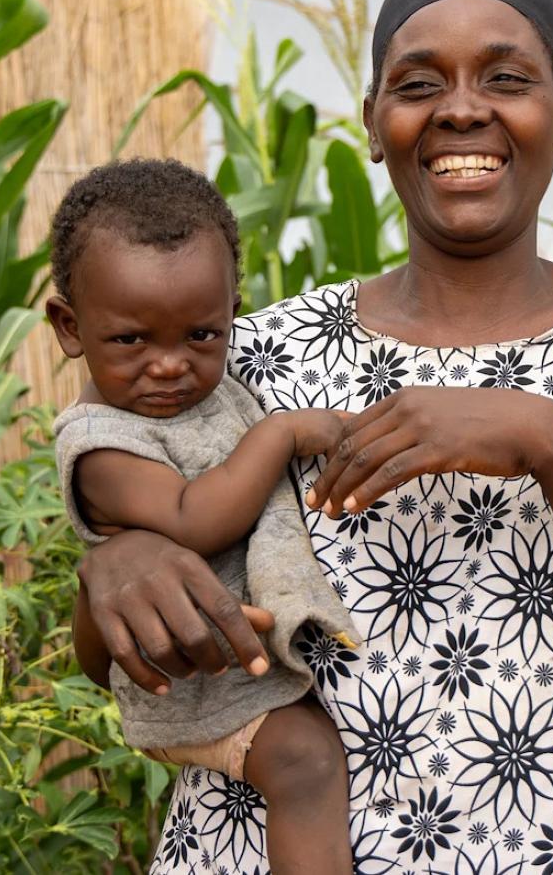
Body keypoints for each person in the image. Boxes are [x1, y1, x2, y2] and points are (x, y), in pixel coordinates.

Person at [72, 0, 553, 873]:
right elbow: (117, 645)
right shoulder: (252, 358)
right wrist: (116, 567)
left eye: (507, 77)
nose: (463, 107)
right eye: (419, 84)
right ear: (376, 127)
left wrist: (549, 440)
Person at [45, 158, 359, 875]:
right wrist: (278, 433)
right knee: (306, 763)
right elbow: (191, 520)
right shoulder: (100, 442)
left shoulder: (210, 393)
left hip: (227, 668)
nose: (168, 366)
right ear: (70, 326)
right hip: (192, 684)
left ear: (231, 317)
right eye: (131, 340)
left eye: (201, 336)